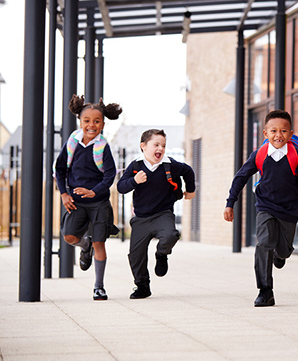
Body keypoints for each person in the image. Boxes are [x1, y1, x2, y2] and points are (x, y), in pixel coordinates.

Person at [224, 109, 298, 307]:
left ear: (291, 134)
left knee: (283, 250)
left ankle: (279, 254)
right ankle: (265, 291)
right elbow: (241, 177)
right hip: (265, 206)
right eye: (274, 131)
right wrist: (230, 202)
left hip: (289, 210)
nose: (279, 135)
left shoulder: (297, 156)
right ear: (265, 134)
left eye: (284, 131)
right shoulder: (259, 154)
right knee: (264, 243)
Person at [54, 94, 122, 301]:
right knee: (69, 237)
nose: (91, 125)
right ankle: (85, 246)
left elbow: (110, 175)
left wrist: (95, 191)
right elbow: (60, 169)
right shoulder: (72, 142)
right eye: (87, 121)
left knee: (99, 243)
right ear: (80, 121)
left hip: (99, 203)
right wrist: (64, 194)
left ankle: (98, 287)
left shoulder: (103, 146)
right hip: (76, 202)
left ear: (103, 123)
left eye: (96, 121)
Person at [117, 129, 196, 299]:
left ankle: (161, 254)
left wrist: (190, 190)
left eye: (163, 145)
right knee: (135, 256)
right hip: (141, 218)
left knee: (170, 235)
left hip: (163, 214)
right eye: (156, 145)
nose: (160, 148)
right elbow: (121, 187)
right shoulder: (136, 166)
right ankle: (142, 286)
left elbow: (188, 171)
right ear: (143, 146)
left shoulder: (170, 165)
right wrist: (134, 181)